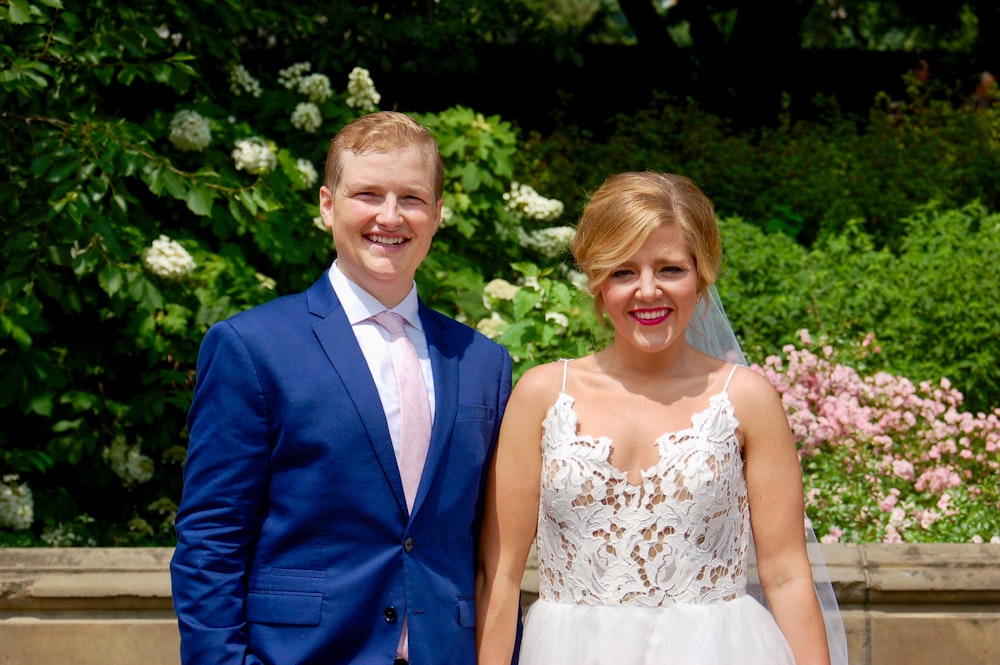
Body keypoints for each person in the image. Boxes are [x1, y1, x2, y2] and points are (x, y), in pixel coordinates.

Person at [171, 111, 514, 665]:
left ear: (438, 213)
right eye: (368, 194)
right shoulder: (252, 347)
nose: (389, 216)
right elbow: (210, 541)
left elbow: (491, 549)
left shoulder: (483, 362)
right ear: (328, 204)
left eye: (411, 198)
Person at [476, 171, 847, 665]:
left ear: (702, 275)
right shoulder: (542, 395)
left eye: (670, 269)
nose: (647, 291)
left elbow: (785, 573)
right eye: (623, 272)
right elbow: (499, 575)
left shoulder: (748, 399)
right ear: (597, 281)